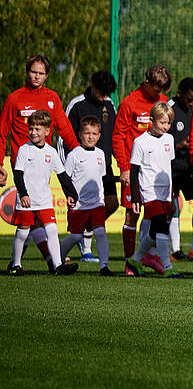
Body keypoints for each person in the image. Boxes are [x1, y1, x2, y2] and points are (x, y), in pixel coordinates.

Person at [112, 65, 170, 274]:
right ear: (147, 82)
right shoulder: (130, 103)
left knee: (156, 215)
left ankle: (149, 255)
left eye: (162, 90)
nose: (159, 94)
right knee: (132, 214)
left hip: (156, 173)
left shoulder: (162, 102)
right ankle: (130, 262)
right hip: (135, 171)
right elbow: (118, 137)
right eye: (156, 89)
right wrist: (124, 167)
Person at [8, 110, 80, 275]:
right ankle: (15, 265)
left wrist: (72, 194)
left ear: (47, 131)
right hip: (26, 199)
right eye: (31, 128)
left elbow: (62, 176)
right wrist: (23, 194)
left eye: (37, 129)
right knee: (24, 231)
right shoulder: (24, 150)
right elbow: (17, 174)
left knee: (52, 229)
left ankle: (58, 266)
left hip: (44, 199)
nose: (33, 132)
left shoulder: (52, 152)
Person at [63, 70, 118, 261]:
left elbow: (115, 134)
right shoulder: (77, 104)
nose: (105, 97)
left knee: (111, 203)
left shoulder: (109, 104)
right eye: (102, 92)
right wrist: (66, 169)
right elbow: (63, 137)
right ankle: (83, 248)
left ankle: (86, 235)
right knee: (86, 208)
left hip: (103, 166)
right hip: (80, 168)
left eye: (107, 94)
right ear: (93, 87)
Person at [1, 55, 79, 185]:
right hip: (21, 161)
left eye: (41, 73)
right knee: (25, 200)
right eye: (33, 72)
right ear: (27, 72)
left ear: (46, 76)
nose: (37, 76)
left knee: (40, 199)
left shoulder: (52, 97)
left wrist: (78, 152)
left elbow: (65, 128)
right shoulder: (14, 98)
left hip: (44, 160)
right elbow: (2, 133)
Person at [124, 102, 178, 276]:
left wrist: (173, 192)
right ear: (151, 120)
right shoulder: (140, 142)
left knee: (155, 231)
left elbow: (170, 166)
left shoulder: (169, 139)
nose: (166, 126)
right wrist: (135, 197)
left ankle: (134, 261)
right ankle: (168, 268)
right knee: (161, 226)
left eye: (168, 123)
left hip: (166, 191)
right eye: (162, 122)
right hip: (149, 190)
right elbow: (134, 171)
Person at [61, 116, 113, 273]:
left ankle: (104, 266)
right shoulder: (74, 155)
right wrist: (69, 197)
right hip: (79, 205)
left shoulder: (100, 154)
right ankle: (57, 259)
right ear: (80, 134)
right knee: (76, 236)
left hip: (97, 203)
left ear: (99, 135)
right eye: (87, 133)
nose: (91, 137)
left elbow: (100, 177)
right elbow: (66, 179)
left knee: (100, 232)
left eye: (94, 133)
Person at [169, 77, 193, 260]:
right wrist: (178, 145)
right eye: (189, 99)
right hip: (172, 167)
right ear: (179, 94)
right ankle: (175, 249)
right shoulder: (169, 107)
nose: (192, 103)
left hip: (189, 166)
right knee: (172, 208)